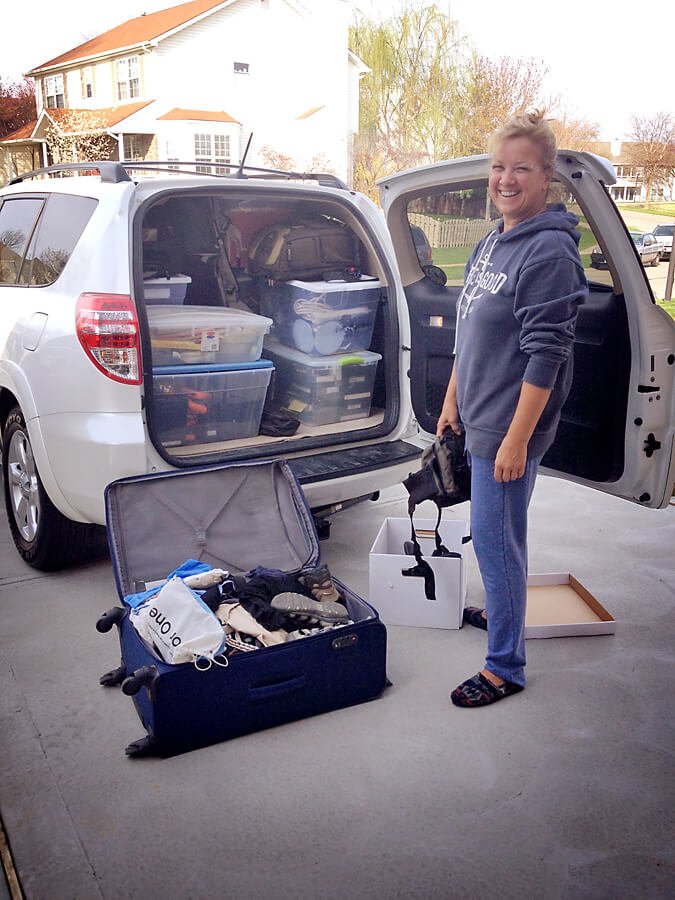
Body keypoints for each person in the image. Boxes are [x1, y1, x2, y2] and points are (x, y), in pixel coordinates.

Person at [436, 109, 588, 708]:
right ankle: (503, 613)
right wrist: (452, 398)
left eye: (521, 168)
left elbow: (547, 353)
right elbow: (470, 327)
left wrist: (517, 440)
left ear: (546, 176)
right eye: (499, 166)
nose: (505, 179)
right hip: (481, 415)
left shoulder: (549, 253)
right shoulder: (492, 241)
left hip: (508, 425)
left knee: (496, 542)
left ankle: (505, 666)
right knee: (498, 535)